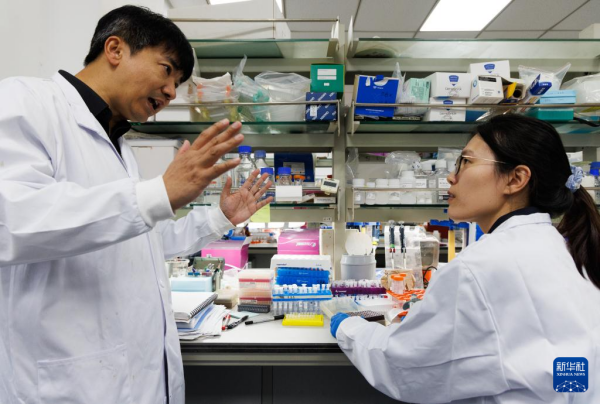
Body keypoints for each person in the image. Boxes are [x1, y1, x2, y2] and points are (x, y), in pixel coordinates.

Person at [0, 6, 272, 404]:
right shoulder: (26, 102)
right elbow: (13, 221)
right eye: (167, 70)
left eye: (177, 82)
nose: (171, 92)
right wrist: (157, 194)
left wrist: (219, 218)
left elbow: (141, 241)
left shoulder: (119, 146)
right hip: (70, 384)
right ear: (115, 49)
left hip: (134, 378)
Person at [331, 114, 600, 404]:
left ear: (516, 179)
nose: (451, 176)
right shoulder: (563, 247)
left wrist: (349, 327)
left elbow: (404, 362)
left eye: (466, 162)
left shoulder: (481, 266)